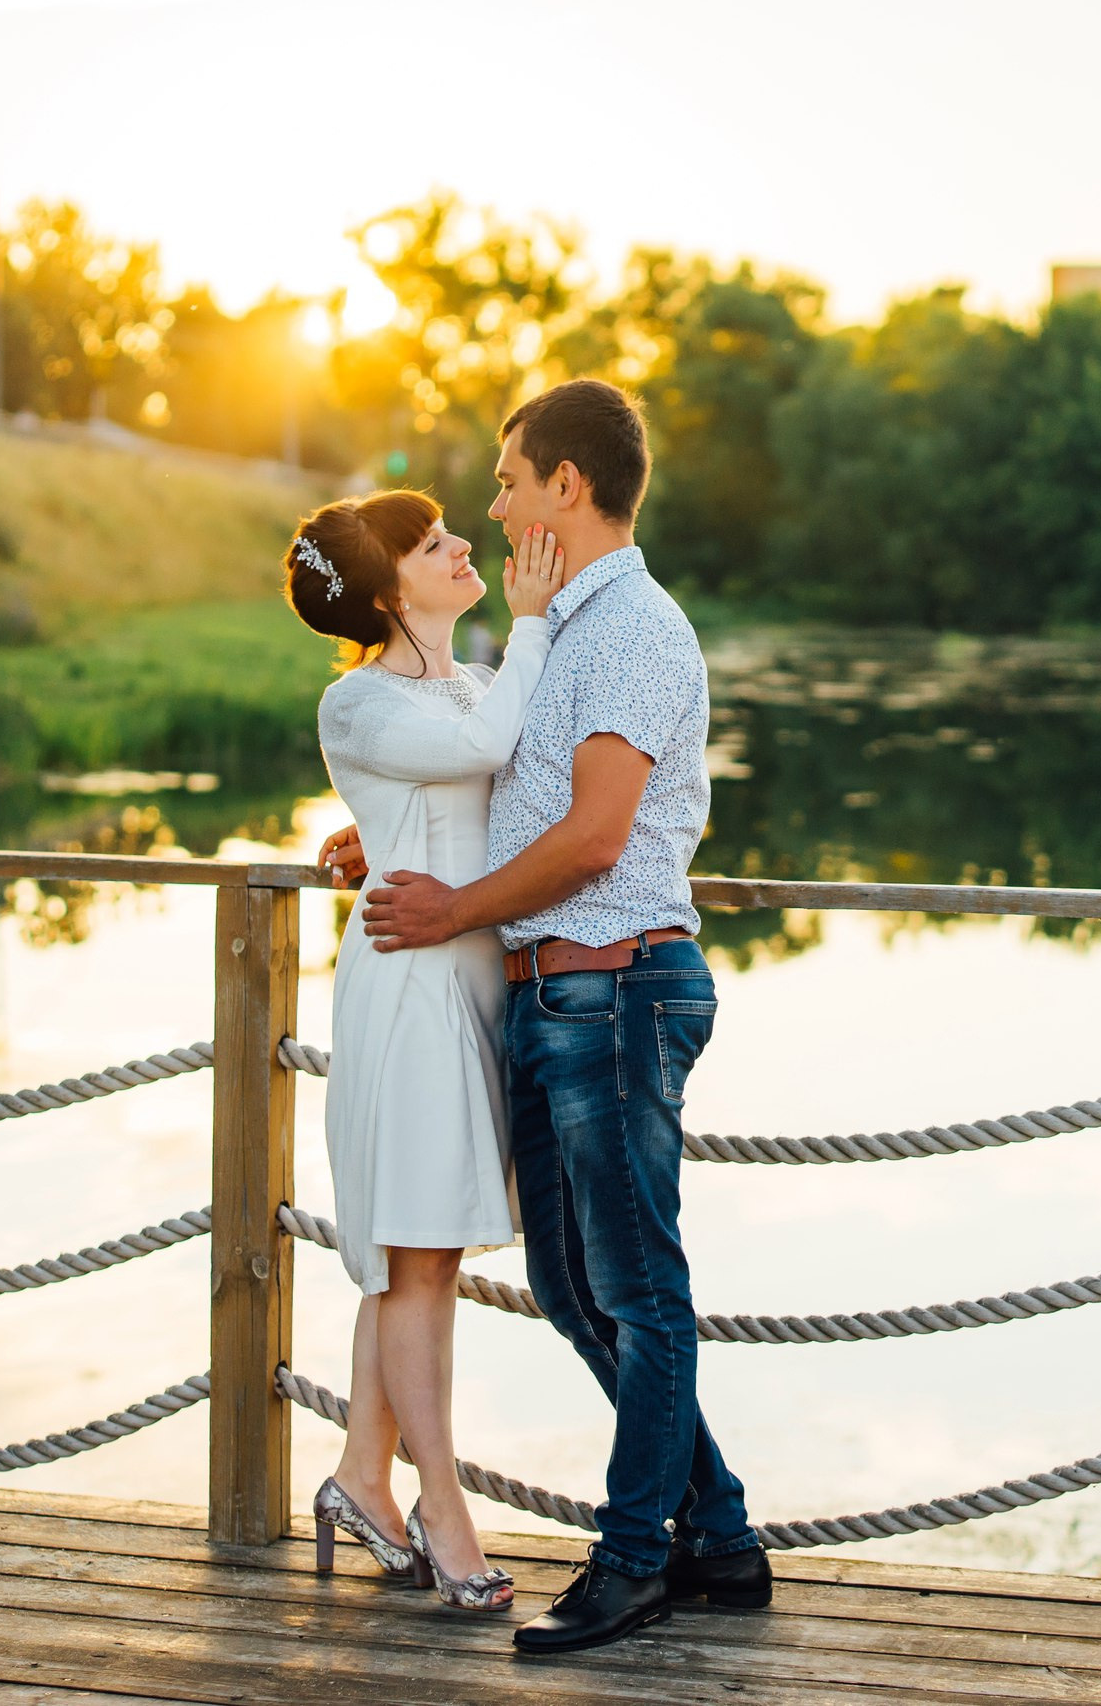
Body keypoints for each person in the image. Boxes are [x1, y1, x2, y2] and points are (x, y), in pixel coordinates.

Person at [322, 379, 769, 1655]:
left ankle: (637, 1560)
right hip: (555, 990)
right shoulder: (559, 628)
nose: (496, 501)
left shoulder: (628, 627)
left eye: (511, 478)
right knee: (579, 1289)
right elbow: (508, 771)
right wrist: (385, 836)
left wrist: (456, 901)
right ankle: (719, 1536)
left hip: (612, 983)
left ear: (566, 487)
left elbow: (592, 836)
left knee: (633, 1286)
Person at [283, 486, 567, 1612]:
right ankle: (441, 1505)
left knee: (424, 1253)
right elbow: (486, 745)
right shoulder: (356, 704)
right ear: (393, 588)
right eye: (437, 542)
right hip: (408, 990)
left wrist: (374, 832)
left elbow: (499, 770)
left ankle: (361, 1474)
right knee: (419, 1257)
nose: (465, 548)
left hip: (464, 982)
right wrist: (539, 617)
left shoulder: (458, 683)